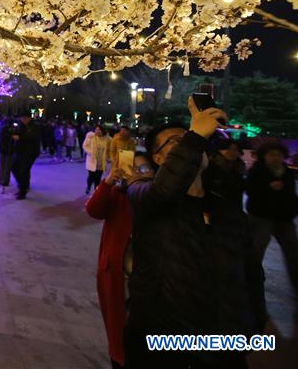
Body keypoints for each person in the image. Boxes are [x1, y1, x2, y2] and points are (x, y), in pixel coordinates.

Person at [124, 97, 266, 369]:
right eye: (176, 142)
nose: (188, 144)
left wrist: (252, 324)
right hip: (162, 342)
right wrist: (196, 134)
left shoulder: (228, 211)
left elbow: (252, 273)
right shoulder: (142, 192)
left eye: (191, 141)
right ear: (157, 158)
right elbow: (164, 192)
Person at [85, 152, 136, 369]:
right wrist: (107, 181)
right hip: (118, 274)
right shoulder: (119, 193)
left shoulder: (157, 197)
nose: (137, 173)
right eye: (134, 168)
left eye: (144, 169)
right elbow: (93, 210)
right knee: (119, 331)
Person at [245, 142, 298, 299]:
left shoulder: (288, 173)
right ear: (264, 155)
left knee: (293, 253)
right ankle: (252, 287)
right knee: (257, 253)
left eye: (278, 154)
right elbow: (250, 191)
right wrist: (268, 187)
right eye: (271, 154)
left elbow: (291, 194)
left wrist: (292, 207)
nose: (275, 158)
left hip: (284, 219)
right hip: (261, 218)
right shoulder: (256, 171)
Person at [12, 114, 40, 200]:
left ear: (29, 118)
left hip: (30, 152)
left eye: (24, 118)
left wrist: (20, 137)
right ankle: (23, 185)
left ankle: (23, 191)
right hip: (20, 151)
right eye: (21, 118)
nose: (22, 120)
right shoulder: (21, 125)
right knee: (15, 168)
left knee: (24, 171)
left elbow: (32, 137)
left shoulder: (34, 126)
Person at [83, 125, 111, 195]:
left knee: (98, 178)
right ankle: (88, 187)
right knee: (91, 176)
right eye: (96, 129)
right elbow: (85, 145)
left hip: (101, 162)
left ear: (103, 131)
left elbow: (110, 149)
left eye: (99, 130)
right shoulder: (91, 137)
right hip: (92, 160)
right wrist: (90, 152)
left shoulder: (107, 139)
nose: (97, 131)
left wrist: (108, 156)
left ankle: (96, 190)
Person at [0, 118, 15, 194]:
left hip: (7, 149)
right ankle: (4, 180)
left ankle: (3, 180)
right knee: (6, 166)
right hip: (6, 149)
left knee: (5, 166)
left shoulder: (5, 129)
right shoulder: (6, 130)